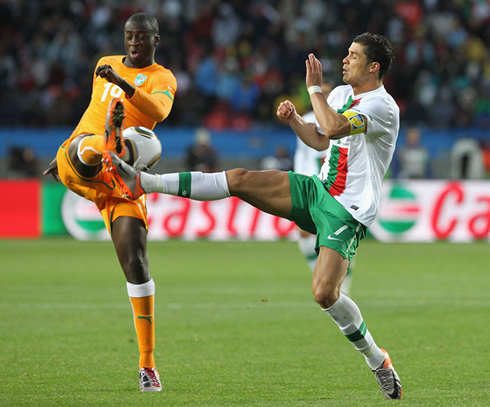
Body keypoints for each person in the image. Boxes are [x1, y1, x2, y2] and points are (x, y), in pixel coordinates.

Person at [104, 33, 402, 399]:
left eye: (353, 56)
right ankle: (145, 181)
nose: (344, 60)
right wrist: (295, 120)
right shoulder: (340, 95)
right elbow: (323, 139)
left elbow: (337, 127)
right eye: (347, 54)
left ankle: (376, 358)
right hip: (317, 190)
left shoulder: (383, 107)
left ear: (373, 67)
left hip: (347, 211)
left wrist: (312, 91)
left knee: (324, 293)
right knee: (242, 179)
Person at [43, 12, 177, 392]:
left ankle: (147, 366)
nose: (134, 42)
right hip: (84, 158)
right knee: (95, 144)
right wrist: (65, 149)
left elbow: (160, 111)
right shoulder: (104, 64)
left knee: (136, 264)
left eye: (142, 37)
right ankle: (105, 144)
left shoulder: (162, 78)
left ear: (156, 40)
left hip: (119, 179)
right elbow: (92, 110)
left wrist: (124, 85)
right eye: (129, 36)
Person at [293, 80, 355, 297]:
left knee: (341, 234)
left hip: (339, 186)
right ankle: (316, 273)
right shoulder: (309, 120)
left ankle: (344, 283)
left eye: (329, 92)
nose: (326, 97)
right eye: (322, 92)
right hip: (313, 182)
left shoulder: (343, 119)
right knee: (304, 231)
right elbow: (304, 154)